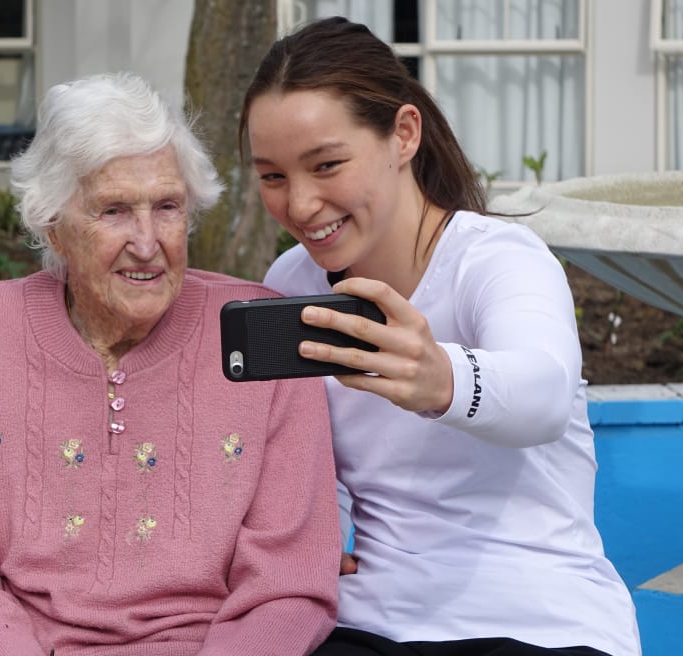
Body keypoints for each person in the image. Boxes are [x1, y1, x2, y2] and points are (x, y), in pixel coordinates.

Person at [0, 71, 340, 655]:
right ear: (53, 226)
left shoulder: (265, 333)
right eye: (114, 211)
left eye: (168, 207)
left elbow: (290, 584)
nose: (148, 241)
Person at [237, 17, 641, 656]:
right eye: (273, 176)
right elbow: (302, 455)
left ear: (403, 135)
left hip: (535, 617)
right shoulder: (292, 280)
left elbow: (544, 393)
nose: (302, 204)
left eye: (327, 164)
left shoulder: (500, 259)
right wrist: (317, 537)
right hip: (369, 616)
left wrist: (440, 379)